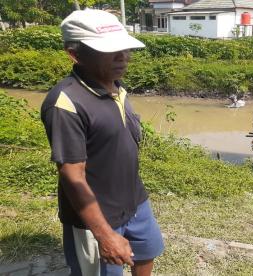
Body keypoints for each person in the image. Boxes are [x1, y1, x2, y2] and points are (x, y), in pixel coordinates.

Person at [40, 9, 164, 276]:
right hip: (96, 217)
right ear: (75, 54)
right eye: (109, 50)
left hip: (134, 201)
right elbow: (73, 176)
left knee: (146, 252)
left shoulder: (116, 87)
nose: (123, 57)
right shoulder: (65, 103)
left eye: (124, 48)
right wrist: (105, 235)